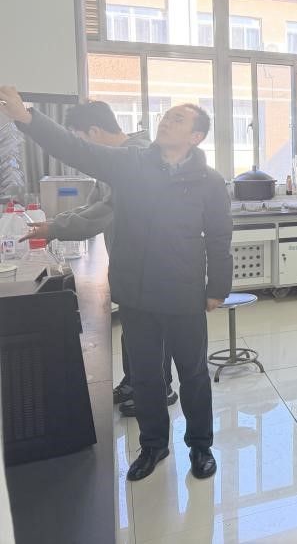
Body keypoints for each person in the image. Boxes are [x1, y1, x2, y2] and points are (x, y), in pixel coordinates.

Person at [0, 86, 232, 482]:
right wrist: (27, 118)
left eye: (178, 118)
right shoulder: (132, 163)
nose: (166, 120)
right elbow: (78, 151)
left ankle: (200, 446)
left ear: (196, 136)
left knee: (193, 374)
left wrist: (217, 289)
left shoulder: (209, 182)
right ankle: (153, 445)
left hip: (183, 292)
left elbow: (219, 237)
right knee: (145, 376)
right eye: (166, 115)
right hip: (136, 291)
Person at [21, 101, 177, 418]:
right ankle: (135, 382)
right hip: (131, 262)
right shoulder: (115, 162)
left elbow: (105, 213)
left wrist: (56, 228)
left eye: (81, 139)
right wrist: (55, 223)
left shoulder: (139, 158)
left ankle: (161, 389)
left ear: (93, 132)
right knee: (134, 329)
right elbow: (95, 203)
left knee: (151, 330)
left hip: (154, 264)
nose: (84, 150)